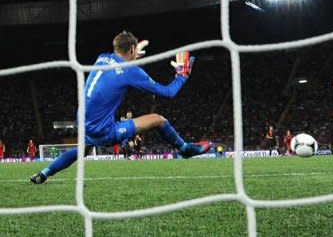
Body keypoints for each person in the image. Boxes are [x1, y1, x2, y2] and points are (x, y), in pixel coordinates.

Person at [31, 31, 211, 184]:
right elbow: (168, 93)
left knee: (82, 150)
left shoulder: (102, 57)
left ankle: (44, 173)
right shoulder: (129, 71)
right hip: (102, 130)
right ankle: (185, 149)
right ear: (132, 49)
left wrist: (133, 54)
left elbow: (119, 61)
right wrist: (182, 75)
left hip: (83, 122)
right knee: (158, 119)